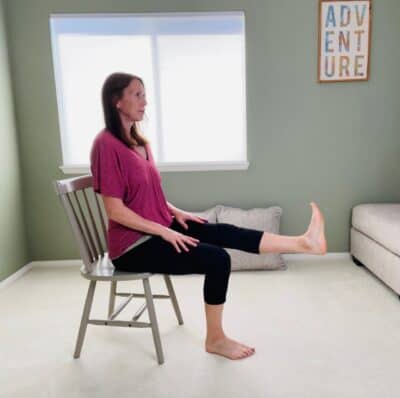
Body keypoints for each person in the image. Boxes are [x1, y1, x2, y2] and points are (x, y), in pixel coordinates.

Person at [90, 72, 327, 361]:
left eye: (144, 94)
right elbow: (115, 209)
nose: (145, 101)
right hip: (133, 247)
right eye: (137, 95)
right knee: (217, 258)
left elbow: (147, 193)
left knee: (224, 231)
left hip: (159, 225)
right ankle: (215, 339)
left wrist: (175, 212)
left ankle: (304, 243)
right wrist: (165, 231)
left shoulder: (140, 142)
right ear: (117, 100)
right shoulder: (105, 145)